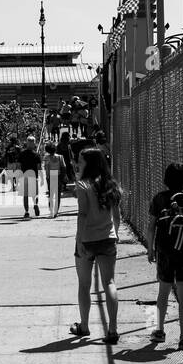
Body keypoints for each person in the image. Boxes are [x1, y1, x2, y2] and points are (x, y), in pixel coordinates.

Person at [69, 147, 122, 344]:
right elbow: (116, 216)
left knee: (84, 284)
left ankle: (84, 326)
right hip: (107, 239)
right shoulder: (111, 184)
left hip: (87, 239)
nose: (78, 164)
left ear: (89, 164)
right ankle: (112, 329)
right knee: (109, 282)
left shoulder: (83, 185)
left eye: (81, 161)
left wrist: (78, 240)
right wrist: (114, 233)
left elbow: (82, 214)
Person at [147, 162, 183, 351]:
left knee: (163, 291)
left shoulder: (159, 199)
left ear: (166, 179)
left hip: (164, 251)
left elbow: (151, 225)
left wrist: (150, 249)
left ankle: (160, 331)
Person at [18, 136, 42, 219]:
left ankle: (26, 212)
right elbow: (39, 167)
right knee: (34, 194)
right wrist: (40, 177)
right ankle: (35, 205)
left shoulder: (22, 154)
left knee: (25, 195)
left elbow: (19, 165)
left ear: (27, 143)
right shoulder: (36, 154)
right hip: (33, 176)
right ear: (34, 143)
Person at [42, 142, 68, 218]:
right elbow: (64, 167)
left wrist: (47, 177)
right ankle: (56, 211)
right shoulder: (60, 157)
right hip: (59, 175)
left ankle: (51, 211)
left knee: (51, 194)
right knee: (58, 195)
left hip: (51, 176)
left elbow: (46, 168)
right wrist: (63, 176)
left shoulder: (46, 157)